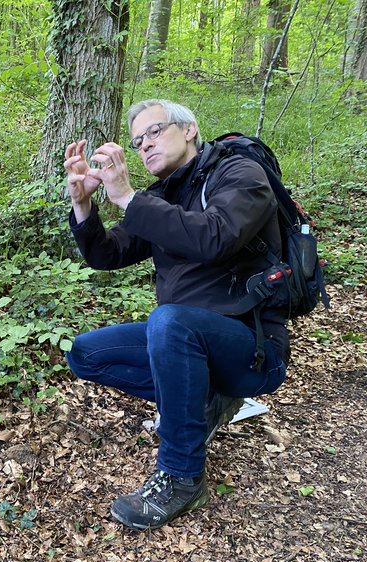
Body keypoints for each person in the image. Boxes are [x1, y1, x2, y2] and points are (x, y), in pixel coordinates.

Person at [63, 99, 289, 531]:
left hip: (253, 350)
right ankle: (205, 399)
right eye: (137, 141)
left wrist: (127, 197)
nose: (144, 144)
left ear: (189, 130)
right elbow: (107, 253)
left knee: (168, 320)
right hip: (186, 341)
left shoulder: (240, 175)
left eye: (154, 131)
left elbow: (215, 239)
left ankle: (181, 477)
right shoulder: (162, 196)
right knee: (85, 354)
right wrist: (83, 207)